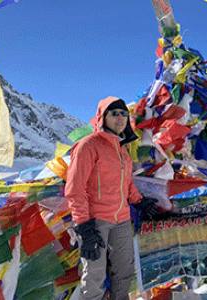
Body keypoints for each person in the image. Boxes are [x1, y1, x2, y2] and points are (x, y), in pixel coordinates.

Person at [65, 96, 157, 300]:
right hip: (96, 221)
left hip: (122, 220)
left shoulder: (122, 150)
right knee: (94, 275)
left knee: (124, 271)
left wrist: (139, 201)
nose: (120, 118)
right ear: (102, 117)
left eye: (124, 114)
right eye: (114, 113)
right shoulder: (88, 145)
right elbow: (75, 188)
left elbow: (127, 183)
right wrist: (84, 226)